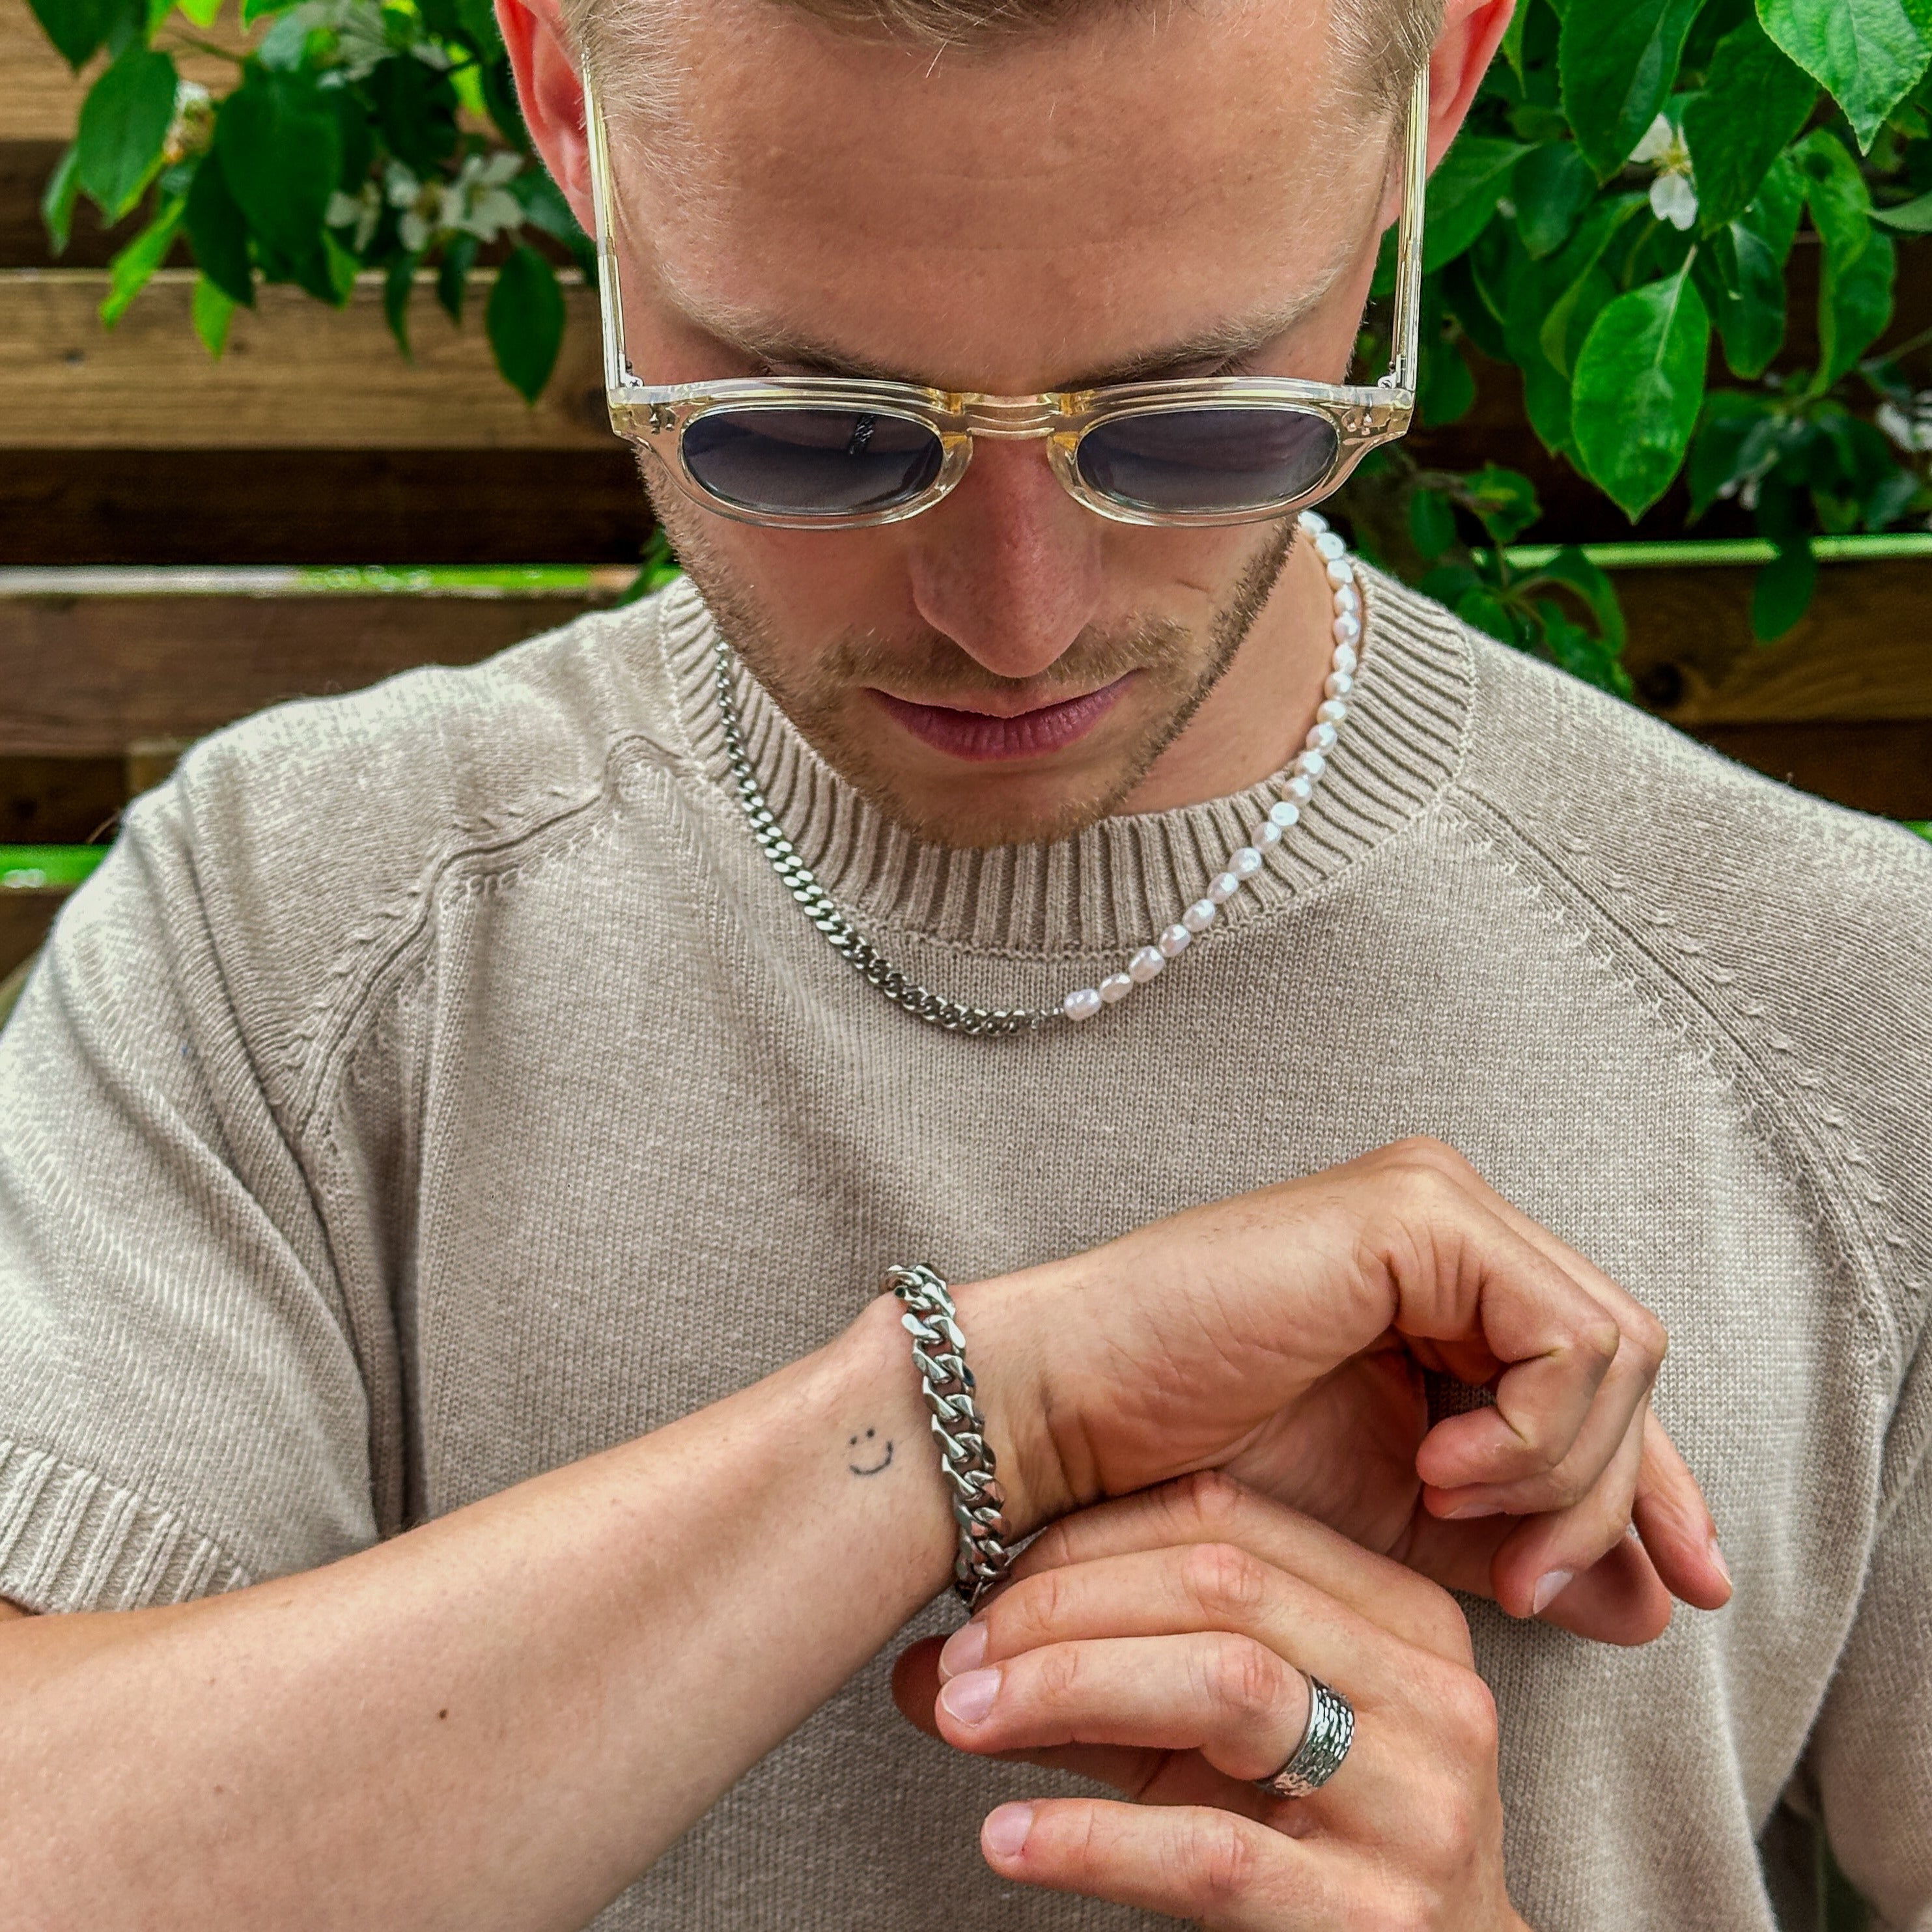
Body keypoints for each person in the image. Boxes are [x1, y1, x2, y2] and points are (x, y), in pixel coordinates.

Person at [0, 0, 1926, 1925]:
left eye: (1194, 426)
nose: (1015, 618)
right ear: (570, 105)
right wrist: (975, 1420)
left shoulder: (1843, 1016)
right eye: (816, 430)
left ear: (1439, 93)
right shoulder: (301, 935)